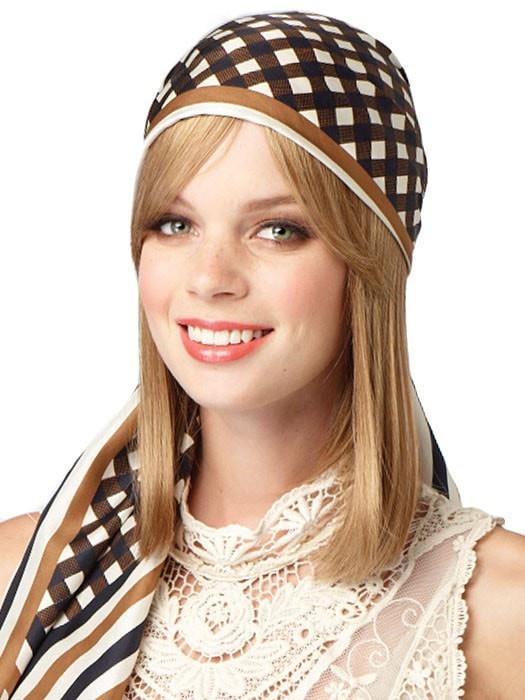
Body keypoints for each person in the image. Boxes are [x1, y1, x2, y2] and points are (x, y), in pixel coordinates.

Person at [1, 9, 524, 699]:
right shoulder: (26, 581)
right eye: (175, 223)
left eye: (277, 229)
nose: (209, 277)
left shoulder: (496, 608)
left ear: (369, 265)